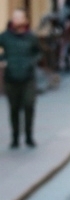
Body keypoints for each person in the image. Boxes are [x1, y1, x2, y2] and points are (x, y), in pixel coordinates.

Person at [1, 9, 41, 148]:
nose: (16, 20)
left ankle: (29, 136)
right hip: (11, 78)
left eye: (19, 17)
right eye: (14, 18)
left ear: (25, 20)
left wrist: (32, 62)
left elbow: (38, 52)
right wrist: (4, 60)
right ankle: (15, 137)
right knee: (14, 109)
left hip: (28, 78)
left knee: (29, 106)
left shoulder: (31, 37)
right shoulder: (5, 36)